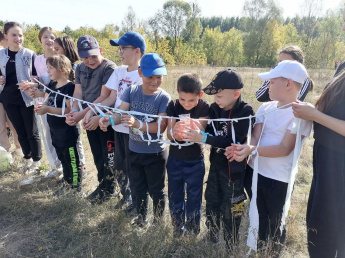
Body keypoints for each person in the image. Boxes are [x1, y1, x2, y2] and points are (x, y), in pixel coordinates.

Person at [227, 61, 312, 256]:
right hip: (255, 172)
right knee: (258, 212)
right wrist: (247, 148)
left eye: (272, 82)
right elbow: (255, 135)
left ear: (288, 84)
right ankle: (258, 246)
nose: (267, 87)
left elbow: (284, 149)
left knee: (275, 219)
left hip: (278, 179)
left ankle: (272, 252)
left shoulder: (301, 113)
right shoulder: (265, 108)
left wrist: (252, 150)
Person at [182, 69, 254, 249]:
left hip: (234, 169)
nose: (216, 100)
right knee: (212, 200)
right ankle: (212, 235)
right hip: (216, 164)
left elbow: (233, 141)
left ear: (236, 94)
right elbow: (211, 131)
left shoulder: (245, 111)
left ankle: (231, 244)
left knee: (232, 206)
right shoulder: (214, 108)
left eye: (220, 96)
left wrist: (205, 138)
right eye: (215, 96)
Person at [99, 52, 170, 228]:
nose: (155, 81)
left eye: (159, 77)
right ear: (140, 73)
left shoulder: (163, 98)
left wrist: (137, 124)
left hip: (155, 153)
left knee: (156, 190)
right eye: (150, 76)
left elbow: (160, 127)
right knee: (138, 188)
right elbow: (121, 114)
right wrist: (109, 120)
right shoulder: (131, 91)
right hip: (134, 150)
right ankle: (141, 219)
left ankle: (158, 222)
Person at [292, 67, 345, 258]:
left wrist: (315, 115)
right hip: (326, 157)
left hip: (340, 163)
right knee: (321, 227)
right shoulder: (343, 65)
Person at [96, 31, 145, 214]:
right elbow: (111, 98)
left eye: (124, 48)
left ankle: (137, 202)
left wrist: (110, 118)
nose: (120, 52)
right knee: (119, 165)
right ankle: (126, 198)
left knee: (133, 167)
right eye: (119, 49)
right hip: (117, 127)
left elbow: (133, 105)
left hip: (132, 129)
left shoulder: (143, 76)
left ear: (137, 51)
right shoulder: (118, 71)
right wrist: (97, 113)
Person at [65, 35, 116, 204]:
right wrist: (74, 112)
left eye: (93, 55)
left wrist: (82, 114)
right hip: (87, 116)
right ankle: (102, 185)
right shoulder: (80, 68)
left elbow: (105, 97)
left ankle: (111, 187)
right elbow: (78, 93)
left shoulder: (108, 68)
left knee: (108, 154)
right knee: (97, 154)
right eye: (85, 57)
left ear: (100, 51)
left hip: (104, 118)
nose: (90, 60)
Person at [166, 73, 209, 237]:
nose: (187, 104)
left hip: (195, 162)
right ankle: (177, 229)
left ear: (200, 95)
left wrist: (194, 129)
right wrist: (174, 133)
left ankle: (192, 231)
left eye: (192, 100)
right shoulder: (173, 105)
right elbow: (169, 134)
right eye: (183, 99)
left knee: (194, 199)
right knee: (175, 197)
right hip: (175, 161)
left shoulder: (204, 107)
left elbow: (202, 129)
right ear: (177, 92)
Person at [34, 55, 82, 195]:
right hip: (55, 130)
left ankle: (76, 187)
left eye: (50, 68)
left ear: (62, 70)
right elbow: (48, 100)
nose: (48, 71)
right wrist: (41, 106)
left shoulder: (69, 87)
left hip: (67, 131)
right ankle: (67, 182)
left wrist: (48, 109)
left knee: (71, 159)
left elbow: (69, 110)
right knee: (62, 157)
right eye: (47, 68)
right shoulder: (52, 85)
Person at [0, 22, 42, 174]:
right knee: (20, 131)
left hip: (27, 98)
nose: (18, 38)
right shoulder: (1, 55)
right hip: (8, 99)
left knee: (32, 131)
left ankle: (37, 162)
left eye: (20, 35)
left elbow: (39, 77)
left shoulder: (30, 54)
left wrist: (32, 83)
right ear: (6, 36)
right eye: (14, 35)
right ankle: (28, 159)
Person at [0, 29, 21, 159]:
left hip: (10, 94)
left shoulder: (6, 54)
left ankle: (19, 147)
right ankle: (6, 152)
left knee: (14, 123)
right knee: (1, 125)